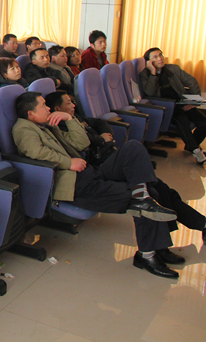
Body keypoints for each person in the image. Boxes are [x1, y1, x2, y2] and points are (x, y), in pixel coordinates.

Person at [12, 91, 182, 279]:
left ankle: (146, 208)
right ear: (31, 113)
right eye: (43, 105)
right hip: (76, 185)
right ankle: (148, 255)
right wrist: (69, 162)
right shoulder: (23, 129)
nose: (48, 108)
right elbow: (35, 152)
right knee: (150, 195)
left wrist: (69, 119)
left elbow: (81, 143)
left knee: (133, 148)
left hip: (90, 172)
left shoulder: (48, 126)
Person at [45, 90, 206, 265]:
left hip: (112, 159)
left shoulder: (75, 116)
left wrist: (105, 133)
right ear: (57, 109)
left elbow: (99, 122)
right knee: (153, 192)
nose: (74, 105)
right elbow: (83, 143)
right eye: (68, 103)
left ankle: (178, 237)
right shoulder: (59, 125)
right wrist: (101, 139)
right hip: (99, 165)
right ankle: (165, 244)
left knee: (160, 188)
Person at [139, 47, 206, 164]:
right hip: (165, 107)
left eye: (161, 55)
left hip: (181, 103)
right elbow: (149, 92)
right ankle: (196, 151)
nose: (160, 58)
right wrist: (153, 73)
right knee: (182, 119)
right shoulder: (145, 74)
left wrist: (193, 103)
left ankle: (191, 145)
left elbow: (192, 82)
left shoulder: (173, 69)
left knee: (204, 122)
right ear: (149, 62)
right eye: (155, 57)